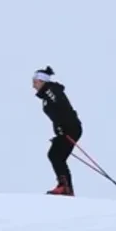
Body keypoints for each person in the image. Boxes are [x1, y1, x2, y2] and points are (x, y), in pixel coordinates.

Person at [33, 66, 82, 196]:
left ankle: (65, 187)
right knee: (56, 155)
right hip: (69, 127)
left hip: (70, 127)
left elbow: (61, 107)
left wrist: (62, 128)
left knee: (55, 155)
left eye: (35, 82)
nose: (33, 86)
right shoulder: (48, 93)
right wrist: (59, 130)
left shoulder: (50, 91)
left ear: (41, 81)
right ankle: (66, 188)